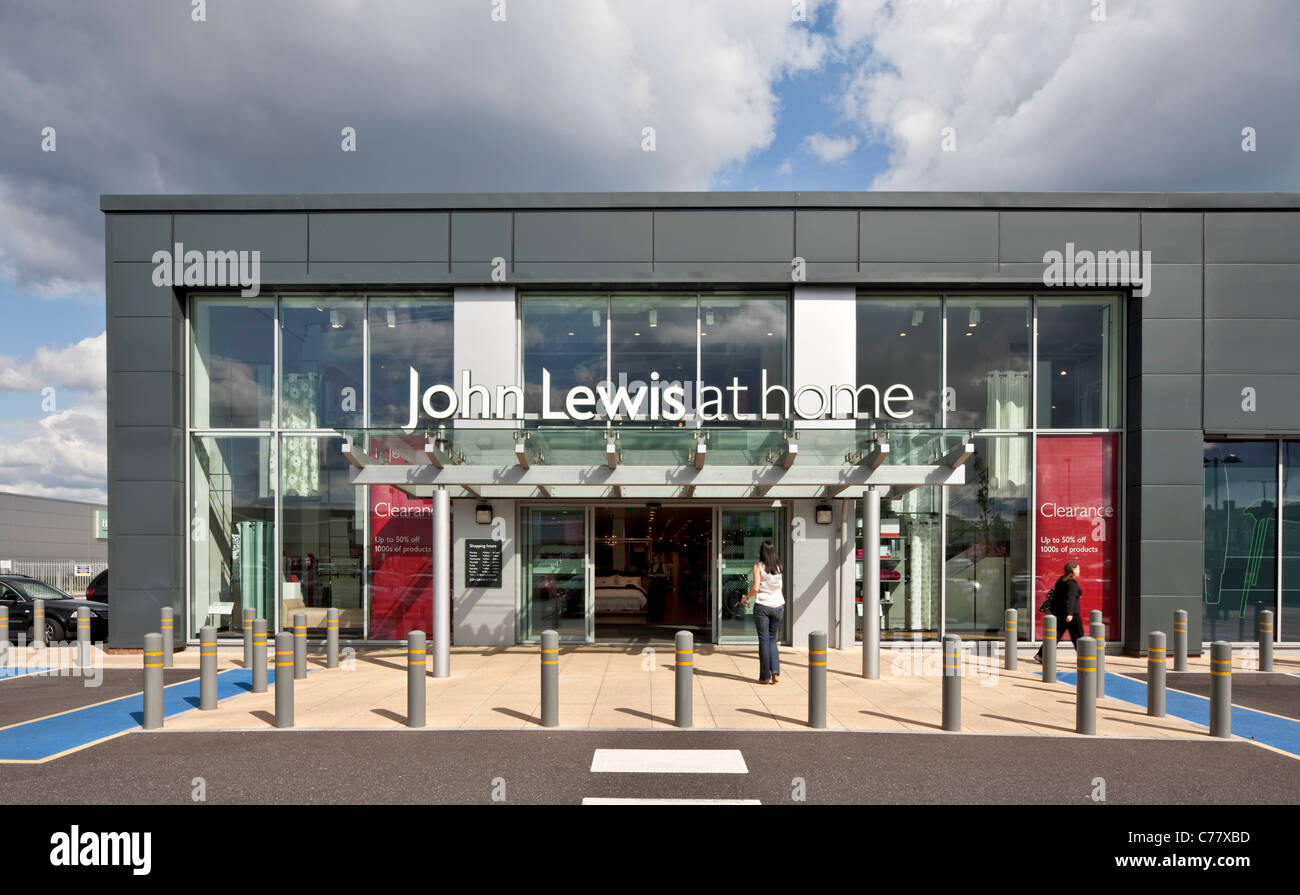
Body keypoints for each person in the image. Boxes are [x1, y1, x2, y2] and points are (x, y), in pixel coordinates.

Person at [741, 541, 785, 684]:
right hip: (778, 606)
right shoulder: (779, 566)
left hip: (763, 607)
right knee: (773, 639)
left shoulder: (758, 566)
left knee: (764, 641)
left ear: (762, 551)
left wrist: (745, 597)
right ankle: (776, 671)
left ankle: (765, 676)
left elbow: (755, 588)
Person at [1034, 560, 1083, 661]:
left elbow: (1057, 596)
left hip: (1060, 613)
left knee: (1054, 635)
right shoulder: (1072, 583)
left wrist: (1053, 610)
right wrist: (1069, 613)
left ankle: (1041, 654)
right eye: (1078, 569)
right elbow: (1070, 598)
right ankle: (1085, 658)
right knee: (1078, 637)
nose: (1079, 571)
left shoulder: (1061, 580)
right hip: (1072, 615)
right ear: (1073, 570)